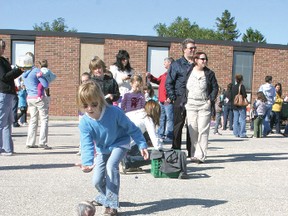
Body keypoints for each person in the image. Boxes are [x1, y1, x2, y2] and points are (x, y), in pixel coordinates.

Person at [77, 81, 149, 216]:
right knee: (97, 180)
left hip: (120, 143)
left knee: (111, 166)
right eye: (85, 105)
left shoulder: (114, 112)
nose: (90, 109)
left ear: (100, 100)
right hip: (102, 149)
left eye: (94, 104)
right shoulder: (85, 122)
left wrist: (142, 144)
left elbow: (132, 128)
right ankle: (107, 198)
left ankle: (111, 206)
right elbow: (87, 144)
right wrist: (87, 163)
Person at [184, 52, 218, 163]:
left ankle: (200, 156)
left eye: (205, 59)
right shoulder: (189, 71)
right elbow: (182, 85)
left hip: (204, 105)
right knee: (192, 129)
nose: (204, 61)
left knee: (203, 130)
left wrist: (210, 99)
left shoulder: (209, 73)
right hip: (191, 104)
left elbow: (215, 88)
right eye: (202, 59)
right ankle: (194, 153)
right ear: (196, 60)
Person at [166, 38, 196, 156]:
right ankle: (176, 150)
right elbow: (169, 82)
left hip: (193, 99)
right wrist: (174, 98)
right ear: (184, 50)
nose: (193, 50)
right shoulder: (176, 65)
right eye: (191, 48)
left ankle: (191, 151)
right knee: (178, 125)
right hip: (179, 99)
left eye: (194, 48)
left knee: (192, 126)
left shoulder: (196, 64)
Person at [121, 100, 163, 173]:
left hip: (117, 142)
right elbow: (154, 138)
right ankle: (128, 162)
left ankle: (126, 160)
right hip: (126, 145)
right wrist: (161, 152)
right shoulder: (147, 118)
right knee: (153, 156)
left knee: (141, 143)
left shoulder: (135, 112)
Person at [22, 52, 51, 149]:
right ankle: (42, 142)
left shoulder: (23, 73)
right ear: (33, 60)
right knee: (44, 120)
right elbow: (45, 85)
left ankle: (30, 142)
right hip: (39, 98)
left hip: (29, 97)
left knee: (33, 120)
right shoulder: (36, 71)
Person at [0, 39, 24, 156]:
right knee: (1, 122)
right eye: (2, 46)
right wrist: (18, 70)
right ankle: (2, 148)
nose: (3, 48)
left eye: (4, 46)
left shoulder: (4, 60)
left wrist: (20, 70)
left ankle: (7, 148)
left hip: (9, 93)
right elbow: (4, 77)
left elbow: (10, 76)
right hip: (3, 93)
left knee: (8, 122)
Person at [147, 57, 174, 141]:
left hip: (168, 100)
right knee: (162, 118)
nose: (164, 64)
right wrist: (150, 76)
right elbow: (157, 80)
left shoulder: (173, 73)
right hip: (162, 100)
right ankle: (160, 134)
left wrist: (170, 97)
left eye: (165, 62)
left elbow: (174, 87)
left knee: (170, 118)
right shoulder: (165, 74)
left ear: (169, 63)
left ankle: (169, 136)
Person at [231, 74, 248, 138]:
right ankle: (242, 133)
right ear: (241, 80)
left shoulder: (233, 87)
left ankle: (236, 133)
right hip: (241, 105)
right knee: (242, 119)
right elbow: (245, 95)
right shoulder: (242, 86)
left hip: (235, 105)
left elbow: (232, 96)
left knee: (235, 119)